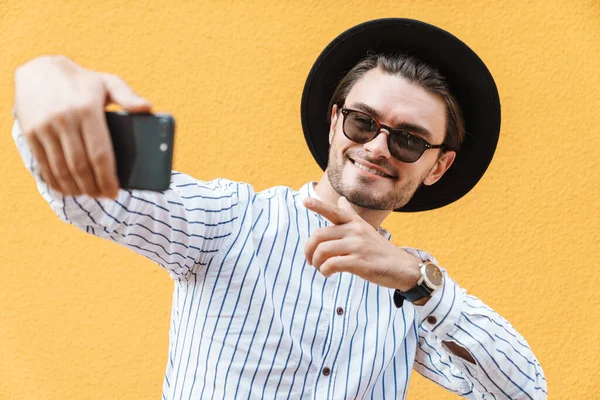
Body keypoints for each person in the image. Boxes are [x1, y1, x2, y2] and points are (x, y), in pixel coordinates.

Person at [12, 18, 546, 399]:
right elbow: (94, 203)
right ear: (336, 123)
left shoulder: (413, 293)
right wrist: (42, 79)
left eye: (408, 140)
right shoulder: (231, 220)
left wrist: (416, 278)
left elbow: (524, 391)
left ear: (438, 167)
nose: (380, 147)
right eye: (364, 122)